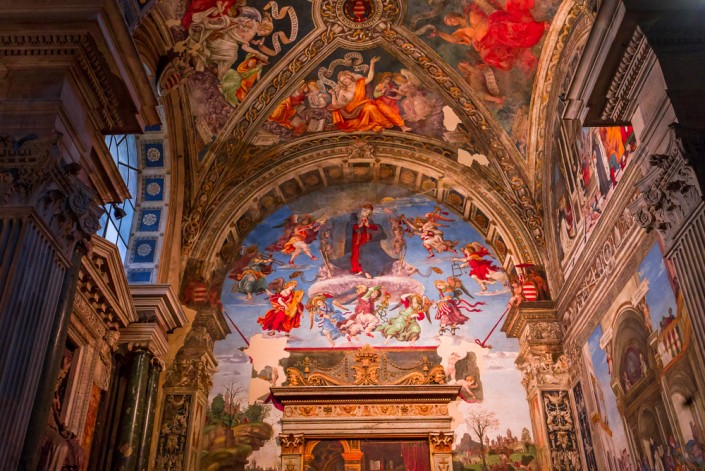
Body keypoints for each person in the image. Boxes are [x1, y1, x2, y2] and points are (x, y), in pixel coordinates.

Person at [431, 0, 548, 73]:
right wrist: (439, 33)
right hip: (489, 41)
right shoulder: (461, 31)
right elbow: (454, 39)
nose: (452, 22)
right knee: (488, 56)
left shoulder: (469, 11)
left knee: (501, 29)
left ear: (454, 15)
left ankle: (538, 27)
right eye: (450, 24)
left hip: (494, 24)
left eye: (451, 19)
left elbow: (485, 6)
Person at [328, 57, 411, 132]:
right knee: (370, 108)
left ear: (349, 77)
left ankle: (402, 126)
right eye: (343, 81)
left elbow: (370, 77)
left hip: (364, 104)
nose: (345, 81)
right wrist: (333, 95)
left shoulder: (359, 82)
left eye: (345, 78)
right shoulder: (343, 91)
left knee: (381, 106)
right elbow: (337, 105)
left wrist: (372, 64)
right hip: (352, 112)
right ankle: (385, 124)